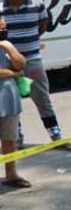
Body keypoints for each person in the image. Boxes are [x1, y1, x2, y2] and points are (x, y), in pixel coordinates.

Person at [2, 0, 71, 151]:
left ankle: (56, 137)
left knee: (42, 99)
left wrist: (30, 42)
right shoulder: (0, 8)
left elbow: (42, 26)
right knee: (12, 102)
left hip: (32, 59)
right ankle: (16, 140)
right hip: (8, 63)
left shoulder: (37, 5)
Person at [0, 31, 29, 188]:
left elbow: (21, 64)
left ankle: (11, 175)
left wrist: (9, 47)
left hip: (9, 101)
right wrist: (13, 73)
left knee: (9, 140)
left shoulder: (5, 47)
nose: (3, 27)